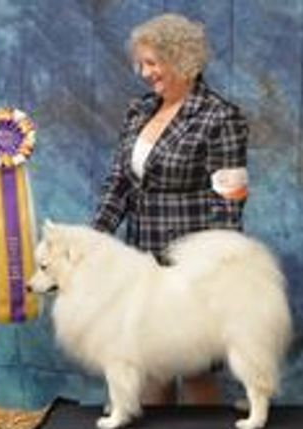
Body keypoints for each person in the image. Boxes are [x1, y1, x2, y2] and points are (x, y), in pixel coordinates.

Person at [92, 13, 249, 404]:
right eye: (140, 63)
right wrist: (93, 239)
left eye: (152, 63)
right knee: (152, 365)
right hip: (142, 262)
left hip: (191, 267)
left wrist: (210, 270)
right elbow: (119, 183)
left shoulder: (220, 116)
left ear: (181, 59)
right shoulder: (138, 110)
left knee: (196, 370)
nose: (144, 73)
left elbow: (229, 203)